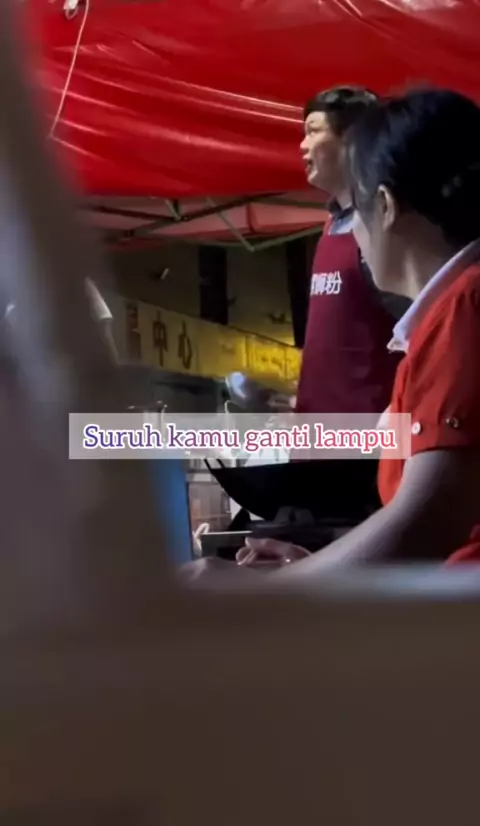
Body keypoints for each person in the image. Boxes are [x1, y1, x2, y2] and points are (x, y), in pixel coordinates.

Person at [183, 88, 480, 583]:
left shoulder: (465, 308)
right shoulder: (442, 317)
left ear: (384, 207)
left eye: (355, 213)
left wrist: (267, 593)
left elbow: (428, 524)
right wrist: (317, 569)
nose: (353, 234)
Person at [273, 85, 409, 414]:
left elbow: (421, 333)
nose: (302, 145)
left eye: (313, 131)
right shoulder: (331, 225)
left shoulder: (385, 228)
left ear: (351, 140)